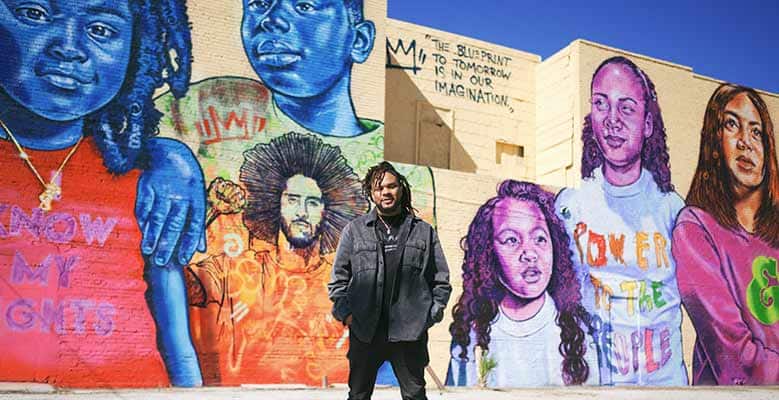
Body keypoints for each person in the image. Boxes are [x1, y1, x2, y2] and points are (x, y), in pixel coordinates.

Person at [0, 0, 204, 387]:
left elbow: (178, 345)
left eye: (101, 30)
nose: (69, 47)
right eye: (34, 14)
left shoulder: (149, 176)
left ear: (137, 50)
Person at [185, 132, 369, 385]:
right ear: (275, 204)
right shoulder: (236, 270)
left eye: (313, 203)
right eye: (293, 200)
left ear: (328, 212)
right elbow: (172, 286)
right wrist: (208, 211)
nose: (302, 212)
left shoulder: (347, 282)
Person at [555, 56, 687, 385]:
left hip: (664, 389)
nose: (612, 120)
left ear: (647, 124)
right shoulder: (570, 207)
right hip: (594, 387)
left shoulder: (672, 210)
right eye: (601, 104)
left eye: (626, 108)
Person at [672, 84, 779, 385]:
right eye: (732, 124)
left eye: (757, 131)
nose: (746, 142)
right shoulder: (695, 229)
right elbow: (736, 360)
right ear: (714, 142)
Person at [446, 180, 597, 387]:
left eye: (540, 239)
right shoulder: (471, 334)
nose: (530, 254)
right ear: (489, 254)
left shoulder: (576, 332)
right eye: (511, 240)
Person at [328, 161, 451, 400]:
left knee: (415, 395)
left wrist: (431, 314)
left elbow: (441, 279)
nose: (386, 192)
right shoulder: (354, 231)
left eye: (391, 186)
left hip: (409, 332)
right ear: (372, 194)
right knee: (359, 395)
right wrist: (347, 315)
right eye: (379, 188)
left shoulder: (423, 232)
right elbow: (338, 281)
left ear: (401, 189)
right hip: (365, 331)